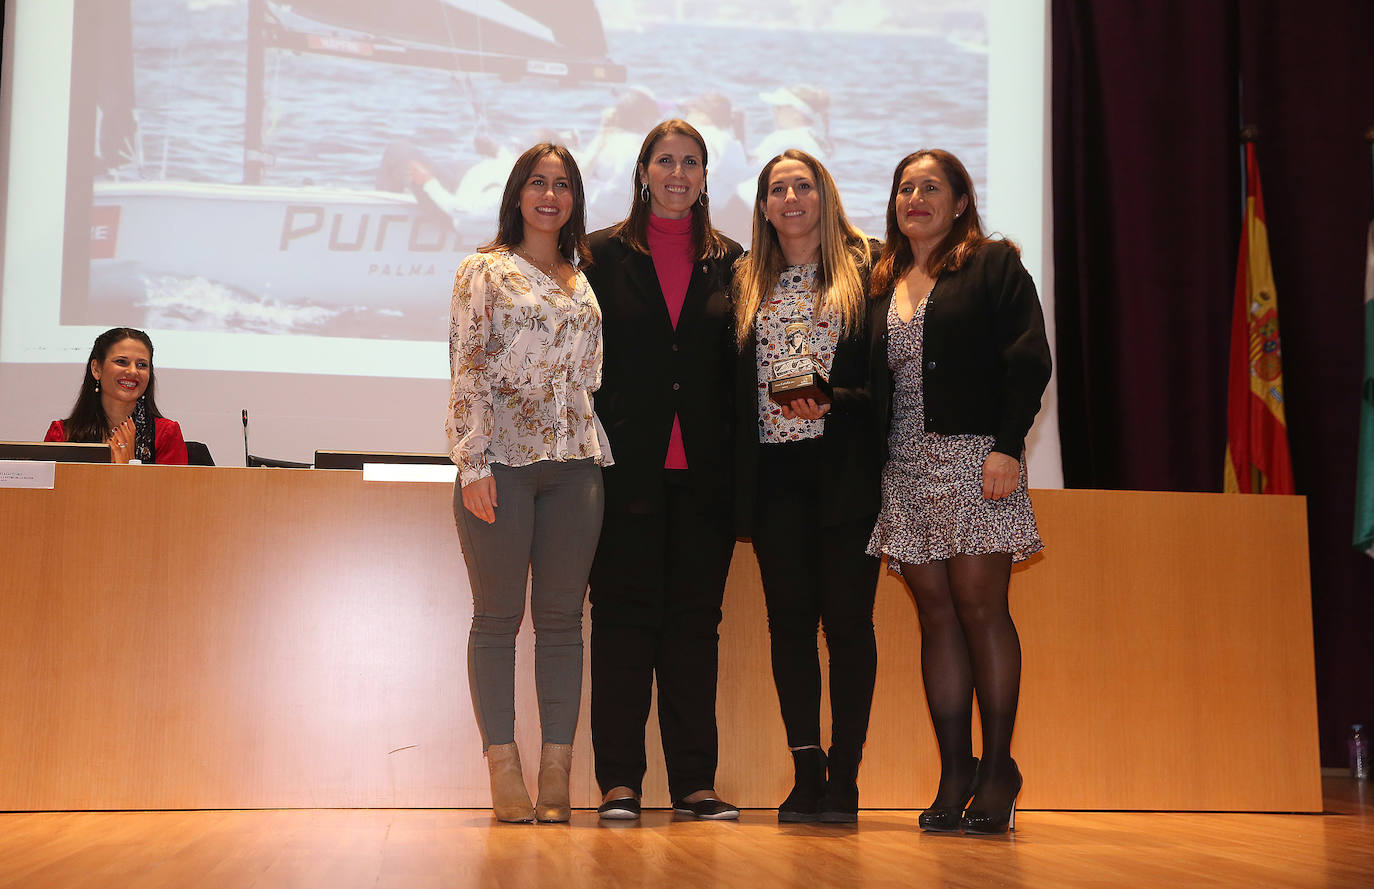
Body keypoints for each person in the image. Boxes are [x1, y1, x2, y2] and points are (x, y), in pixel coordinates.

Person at [866, 149, 1051, 835]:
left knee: (980, 606)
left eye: (931, 186)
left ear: (961, 200)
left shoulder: (993, 264)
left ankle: (999, 769)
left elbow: (1029, 357)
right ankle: (956, 769)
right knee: (936, 616)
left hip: (979, 458)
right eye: (905, 187)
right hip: (905, 466)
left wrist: (1007, 445)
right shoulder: (882, 277)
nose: (916, 197)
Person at [582, 119, 743, 821]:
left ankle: (694, 783)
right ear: (643, 170)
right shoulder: (597, 257)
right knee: (620, 624)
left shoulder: (736, 263)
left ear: (706, 176)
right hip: (623, 476)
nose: (678, 173)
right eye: (665, 161)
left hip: (705, 480)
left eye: (691, 163)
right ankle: (619, 781)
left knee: (693, 629)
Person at [447, 142, 610, 824]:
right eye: (538, 183)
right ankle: (503, 765)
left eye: (563, 185)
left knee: (563, 622)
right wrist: (473, 463)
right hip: (503, 464)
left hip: (577, 463)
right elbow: (468, 366)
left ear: (574, 199)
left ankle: (556, 771)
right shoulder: (483, 270)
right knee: (496, 618)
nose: (551, 195)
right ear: (517, 193)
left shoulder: (582, 274)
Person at [733, 149, 882, 823]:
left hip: (845, 470)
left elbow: (893, 384)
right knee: (789, 627)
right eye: (777, 188)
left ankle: (845, 777)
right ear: (764, 205)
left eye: (803, 184)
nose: (790, 196)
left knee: (847, 626)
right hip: (775, 479)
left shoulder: (870, 270)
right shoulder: (744, 280)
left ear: (823, 194)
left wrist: (836, 400)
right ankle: (806, 770)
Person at [45, 327, 187, 465]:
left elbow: (173, 489)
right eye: (121, 362)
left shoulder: (165, 434)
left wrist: (129, 467)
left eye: (142, 365)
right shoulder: (62, 435)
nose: (133, 371)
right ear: (96, 369)